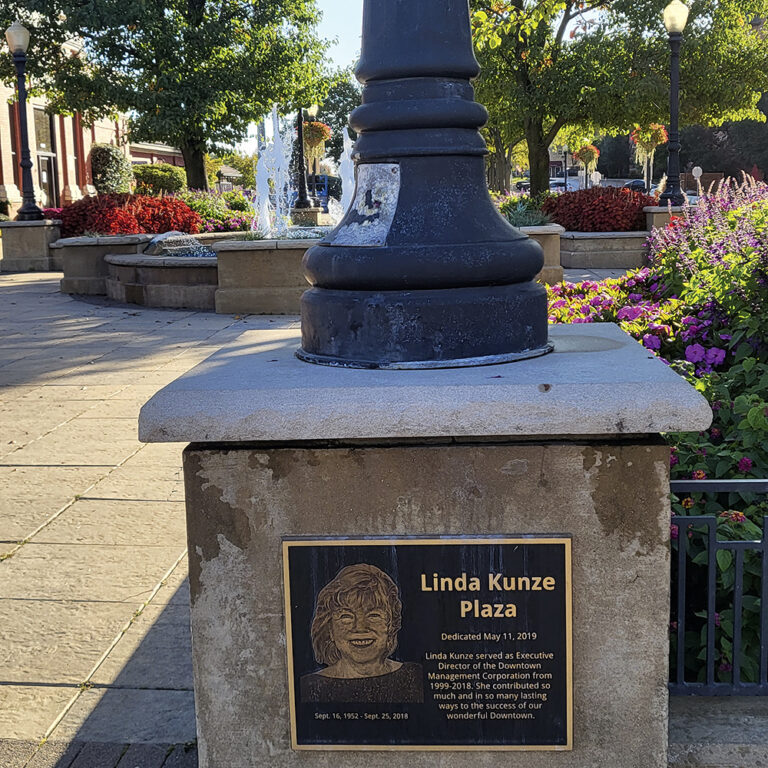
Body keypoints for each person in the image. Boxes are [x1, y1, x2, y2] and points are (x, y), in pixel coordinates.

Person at [300, 563, 423, 703]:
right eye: (346, 616)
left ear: (391, 626)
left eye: (373, 615)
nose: (360, 627)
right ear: (330, 630)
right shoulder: (309, 687)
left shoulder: (415, 678)